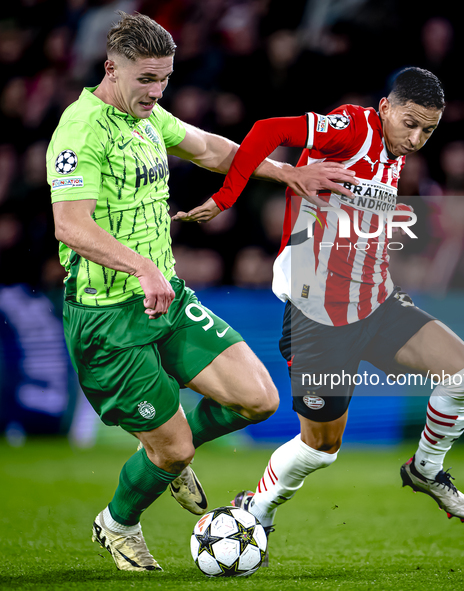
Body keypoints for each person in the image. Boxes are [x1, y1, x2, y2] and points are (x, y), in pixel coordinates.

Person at [46, 11, 356, 572]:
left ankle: (167, 450)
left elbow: (211, 149)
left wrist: (287, 175)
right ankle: (118, 523)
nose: (156, 91)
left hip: (165, 299)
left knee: (257, 399)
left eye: (164, 79)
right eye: (145, 80)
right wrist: (142, 266)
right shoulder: (80, 130)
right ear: (110, 68)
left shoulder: (146, 116)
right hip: (107, 316)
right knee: (174, 449)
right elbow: (69, 225)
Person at [175, 67, 464, 564]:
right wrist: (225, 199)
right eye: (409, 123)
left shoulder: (395, 153)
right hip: (317, 315)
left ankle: (426, 469)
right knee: (320, 447)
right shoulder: (352, 128)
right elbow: (268, 131)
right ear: (385, 107)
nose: (416, 138)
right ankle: (257, 507)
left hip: (376, 303)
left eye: (428, 130)